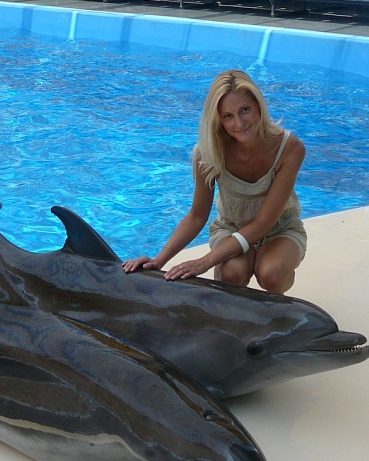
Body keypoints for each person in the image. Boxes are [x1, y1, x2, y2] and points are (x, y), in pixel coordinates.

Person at [122, 69, 307, 295]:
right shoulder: (209, 153)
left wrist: (206, 261)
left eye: (245, 110)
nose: (239, 123)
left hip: (279, 229)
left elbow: (263, 223)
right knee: (233, 272)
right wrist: (159, 260)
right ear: (218, 119)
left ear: (259, 105)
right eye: (228, 116)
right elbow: (197, 215)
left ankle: (277, 288)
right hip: (232, 227)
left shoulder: (290, 149)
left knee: (272, 273)